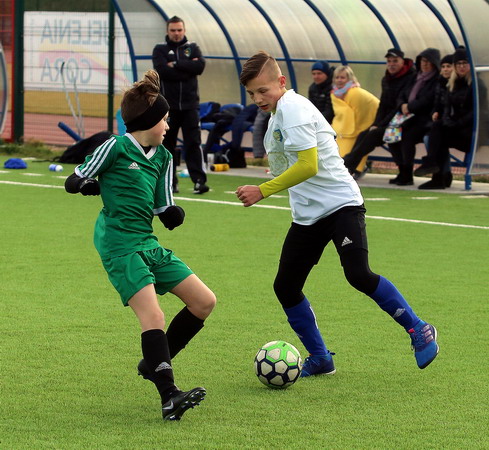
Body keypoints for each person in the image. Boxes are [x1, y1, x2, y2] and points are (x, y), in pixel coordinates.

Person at [236, 51, 439, 376]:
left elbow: (308, 165)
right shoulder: (276, 118)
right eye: (251, 93)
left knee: (358, 274)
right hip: (308, 216)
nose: (258, 98)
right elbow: (294, 166)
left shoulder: (294, 108)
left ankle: (419, 328)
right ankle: (321, 358)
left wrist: (263, 190)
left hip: (341, 205)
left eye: (263, 90)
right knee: (286, 286)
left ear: (281, 82)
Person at [64, 70, 216, 421]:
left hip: (146, 241)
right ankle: (169, 396)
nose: (168, 126)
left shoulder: (164, 157)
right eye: (164, 119)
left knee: (204, 301)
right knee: (154, 316)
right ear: (148, 121)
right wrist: (84, 184)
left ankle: (154, 363)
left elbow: (164, 207)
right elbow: (76, 178)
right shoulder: (115, 147)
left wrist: (173, 214)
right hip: (119, 243)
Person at [152, 16, 209, 194]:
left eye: (179, 30)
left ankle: (199, 181)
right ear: (167, 31)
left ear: (184, 30)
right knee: (167, 145)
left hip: (190, 106)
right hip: (168, 108)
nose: (176, 33)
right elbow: (162, 71)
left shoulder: (193, 47)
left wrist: (176, 65)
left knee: (193, 143)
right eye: (173, 30)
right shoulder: (160, 49)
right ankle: (170, 183)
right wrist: (187, 68)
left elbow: (199, 67)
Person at [342, 48, 416, 183]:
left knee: (379, 135)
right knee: (365, 134)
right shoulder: (386, 79)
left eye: (395, 61)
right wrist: (376, 123)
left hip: (405, 119)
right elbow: (383, 105)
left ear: (402, 62)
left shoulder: (411, 77)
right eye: (389, 61)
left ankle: (346, 164)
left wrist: (380, 125)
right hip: (390, 120)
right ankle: (349, 167)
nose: (391, 64)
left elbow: (398, 106)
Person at [414, 46, 482, 189]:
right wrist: (447, 121)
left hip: (473, 134)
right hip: (457, 129)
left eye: (465, 63)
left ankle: (434, 170)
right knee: (437, 130)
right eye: (458, 64)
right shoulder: (452, 84)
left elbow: (477, 112)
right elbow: (446, 108)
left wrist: (456, 123)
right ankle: (437, 176)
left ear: (470, 65)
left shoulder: (477, 85)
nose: (461, 67)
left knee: (437, 135)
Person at [392, 48, 441, 185]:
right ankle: (402, 170)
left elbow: (427, 100)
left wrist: (409, 107)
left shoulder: (436, 80)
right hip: (405, 117)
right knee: (392, 135)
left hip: (423, 119)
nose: (425, 64)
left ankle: (407, 173)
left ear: (434, 64)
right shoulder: (415, 77)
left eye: (428, 62)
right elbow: (401, 95)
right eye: (423, 61)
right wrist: (402, 105)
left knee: (407, 136)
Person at [330, 65, 379, 178]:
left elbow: (362, 114)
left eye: (343, 77)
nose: (339, 80)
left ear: (350, 79)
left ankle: (357, 169)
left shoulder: (354, 93)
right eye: (337, 77)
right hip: (345, 128)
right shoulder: (335, 93)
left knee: (360, 142)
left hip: (368, 124)